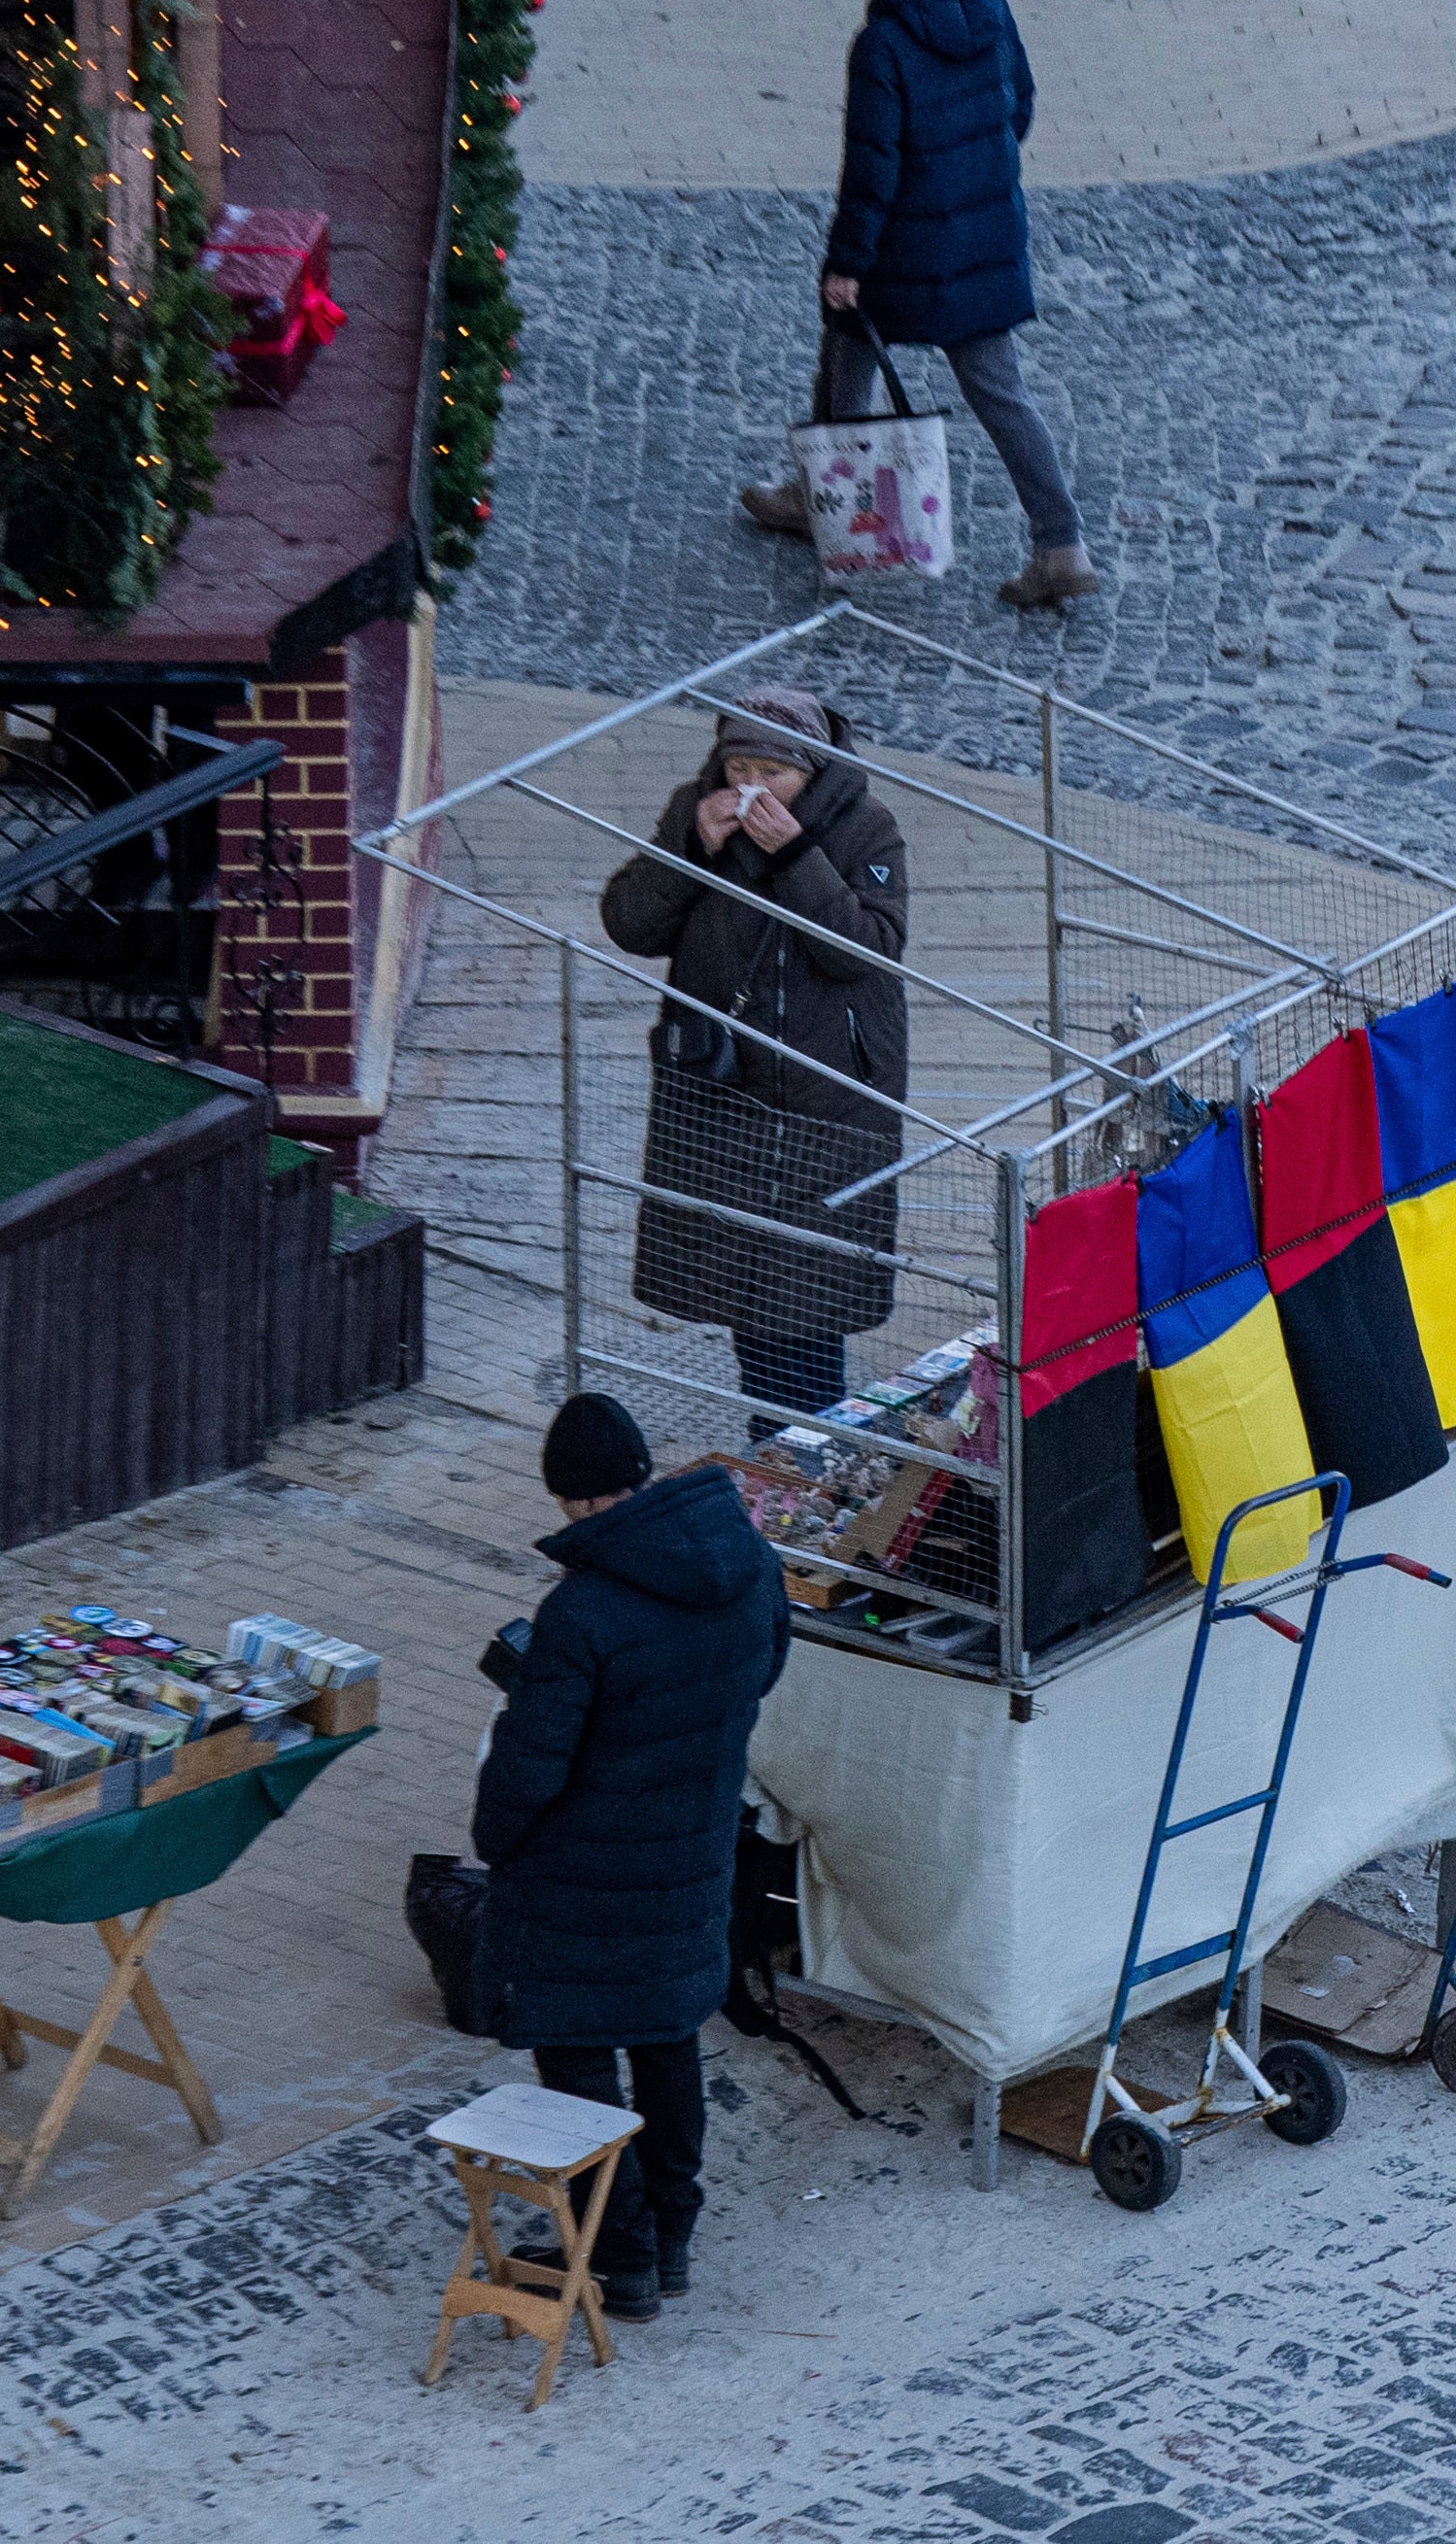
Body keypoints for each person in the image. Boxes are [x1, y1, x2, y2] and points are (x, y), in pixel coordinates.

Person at [469, 1391, 791, 2326]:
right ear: (643, 1474)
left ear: (570, 1501)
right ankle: (673, 2236)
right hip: (690, 1850)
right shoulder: (747, 1562)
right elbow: (764, 1667)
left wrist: (497, 1841)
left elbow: (531, 1766)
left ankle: (619, 2253)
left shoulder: (581, 1614)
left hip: (582, 1875)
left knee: (576, 2059)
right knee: (666, 2035)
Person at [739, 0, 1099, 606]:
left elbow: (872, 171)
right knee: (1001, 395)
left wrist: (846, 263)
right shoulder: (988, 6)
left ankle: (821, 499)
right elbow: (1018, 105)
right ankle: (1061, 544)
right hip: (981, 239)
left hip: (903, 250)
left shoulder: (883, 44)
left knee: (845, 349)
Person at [599, 687, 911, 1417]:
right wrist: (689, 849)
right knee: (745, 1281)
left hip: (826, 1096)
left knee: (807, 1297)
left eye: (772, 775)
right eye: (738, 766)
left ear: (810, 770)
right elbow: (628, 923)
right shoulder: (696, 806)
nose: (750, 788)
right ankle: (779, 1445)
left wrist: (796, 855)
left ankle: (804, 1447)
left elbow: (866, 951)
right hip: (722, 1087)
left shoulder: (866, 827)